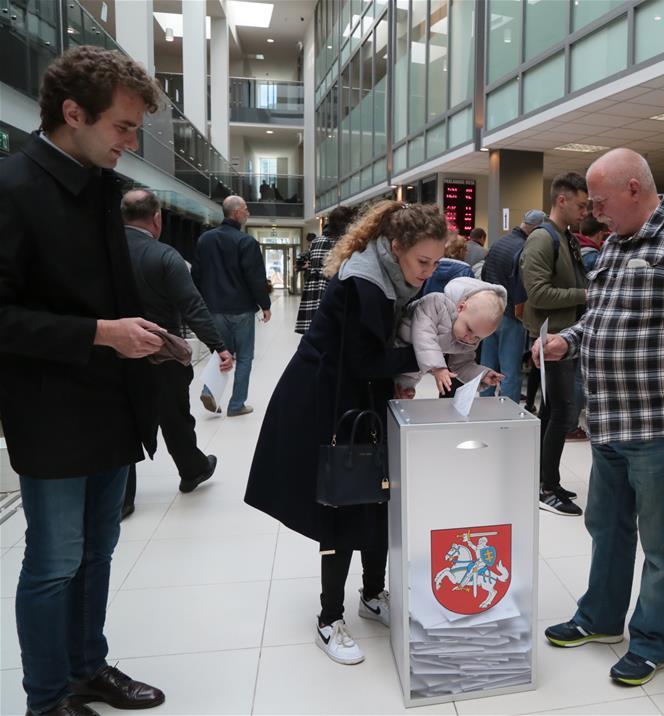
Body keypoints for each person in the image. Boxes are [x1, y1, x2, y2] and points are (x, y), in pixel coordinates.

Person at [0, 46, 166, 716]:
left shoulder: (100, 187)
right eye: (122, 127)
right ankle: (47, 700)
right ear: (73, 113)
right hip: (51, 411)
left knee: (99, 551)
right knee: (54, 562)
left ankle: (87, 668)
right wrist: (101, 333)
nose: (131, 142)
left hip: (110, 401)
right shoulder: (13, 188)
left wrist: (146, 336)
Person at [541, 148, 664, 687]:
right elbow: (601, 320)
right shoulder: (615, 244)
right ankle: (600, 618)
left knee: (660, 544)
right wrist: (568, 341)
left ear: (634, 189)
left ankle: (652, 641)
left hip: (660, 430)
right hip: (608, 424)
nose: (594, 213)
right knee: (606, 528)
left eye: (601, 202)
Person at [244, 201, 446, 666]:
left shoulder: (388, 273)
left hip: (360, 399)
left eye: (436, 263)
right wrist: (432, 356)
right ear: (396, 246)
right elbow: (365, 360)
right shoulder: (364, 283)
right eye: (423, 261)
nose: (428, 273)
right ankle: (328, 618)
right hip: (327, 402)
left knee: (378, 499)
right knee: (341, 508)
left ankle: (372, 594)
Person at [119, 189, 235, 514]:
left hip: (115, 354)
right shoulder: (164, 256)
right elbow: (192, 306)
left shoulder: (103, 254)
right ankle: (192, 470)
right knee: (175, 416)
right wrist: (219, 347)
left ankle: (122, 499)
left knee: (122, 421)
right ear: (157, 219)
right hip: (162, 353)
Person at [520, 172, 588, 516]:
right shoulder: (542, 239)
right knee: (559, 413)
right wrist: (585, 294)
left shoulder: (565, 237)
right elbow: (538, 293)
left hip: (562, 336)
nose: (585, 212)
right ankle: (546, 487)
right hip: (551, 338)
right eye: (581, 205)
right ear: (562, 200)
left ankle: (546, 479)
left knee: (553, 412)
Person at [193, 195, 271, 417]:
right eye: (245, 209)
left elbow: (196, 274)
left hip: (214, 308)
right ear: (236, 213)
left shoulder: (205, 239)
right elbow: (255, 277)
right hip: (241, 309)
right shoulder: (246, 242)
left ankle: (209, 391)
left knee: (221, 353)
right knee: (244, 357)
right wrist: (265, 305)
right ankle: (236, 404)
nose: (248, 212)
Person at [396, 276, 505, 395]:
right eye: (469, 329)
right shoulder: (435, 303)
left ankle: (403, 388)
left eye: (477, 337)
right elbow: (424, 335)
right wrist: (438, 367)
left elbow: (461, 364)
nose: (469, 338)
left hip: (411, 365)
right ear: (460, 307)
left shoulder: (466, 339)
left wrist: (482, 375)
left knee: (401, 393)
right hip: (392, 347)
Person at [479, 209, 546, 401]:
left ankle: (484, 405)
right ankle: (509, 411)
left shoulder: (499, 243)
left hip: (490, 311)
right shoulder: (524, 248)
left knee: (487, 365)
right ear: (536, 229)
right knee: (509, 371)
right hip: (511, 314)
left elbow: (484, 273)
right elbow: (524, 284)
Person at [568, 216, 610, 441]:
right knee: (578, 377)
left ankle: (569, 422)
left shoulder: (573, 250)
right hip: (588, 320)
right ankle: (571, 424)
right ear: (600, 233)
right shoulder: (595, 256)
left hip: (571, 318)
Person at [295, 206, 355, 334]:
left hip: (313, 290)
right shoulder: (343, 243)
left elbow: (299, 259)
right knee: (333, 330)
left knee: (314, 330)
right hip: (333, 288)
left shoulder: (316, 241)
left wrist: (309, 266)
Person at [422, 230, 475, 294]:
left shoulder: (431, 267)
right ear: (461, 251)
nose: (467, 252)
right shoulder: (466, 271)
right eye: (465, 249)